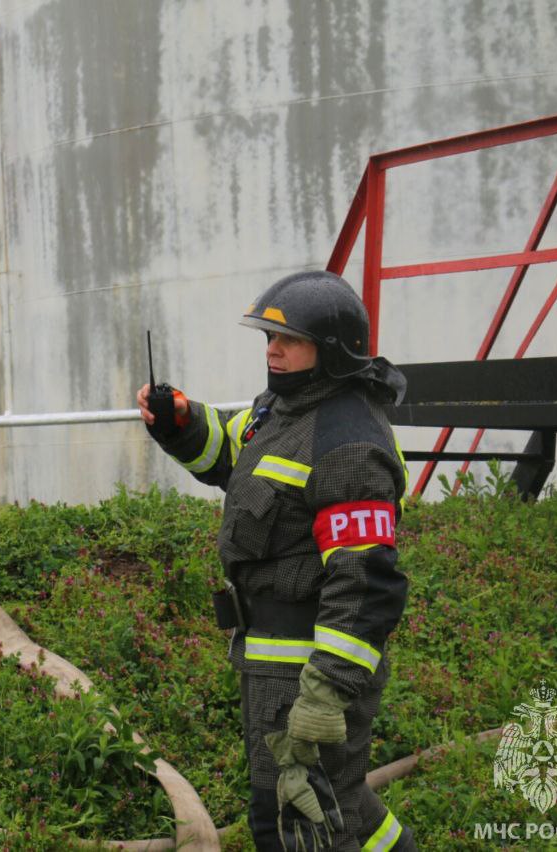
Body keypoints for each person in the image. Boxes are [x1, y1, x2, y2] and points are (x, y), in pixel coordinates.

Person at [136, 271, 415, 851]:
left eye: (289, 340)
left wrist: (326, 693)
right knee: (337, 804)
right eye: (268, 337)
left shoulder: (349, 444)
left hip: (308, 676)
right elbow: (233, 454)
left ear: (332, 352)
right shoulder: (281, 410)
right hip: (269, 665)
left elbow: (365, 586)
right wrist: (182, 423)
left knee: (295, 821)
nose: (272, 350)